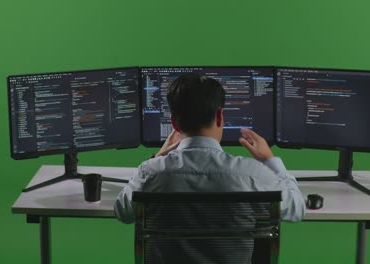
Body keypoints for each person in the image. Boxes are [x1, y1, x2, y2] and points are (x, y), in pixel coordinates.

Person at [114, 74, 305, 262]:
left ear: (174, 123)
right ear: (220, 116)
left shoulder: (151, 172)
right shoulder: (252, 174)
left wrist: (157, 158)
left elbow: (122, 212)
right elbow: (296, 209)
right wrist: (270, 160)